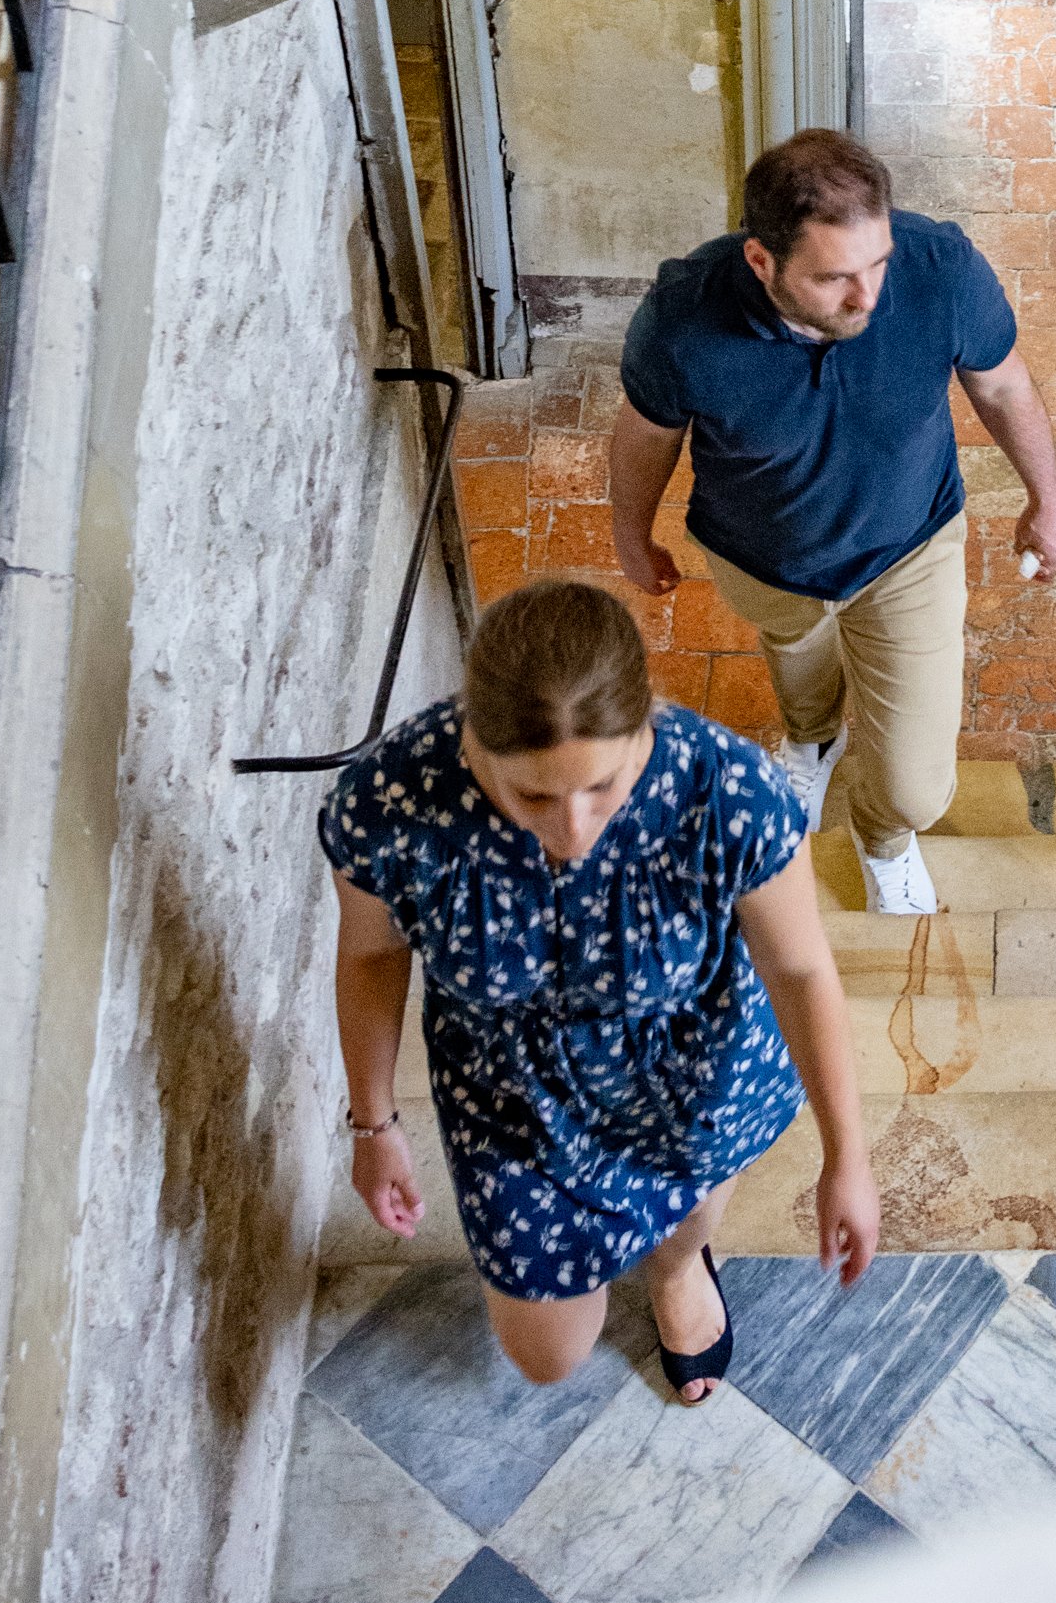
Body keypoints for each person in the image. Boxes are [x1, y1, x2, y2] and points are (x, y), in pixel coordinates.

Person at [322, 571, 876, 1397]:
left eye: (603, 787)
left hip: (695, 1073)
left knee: (687, 1215)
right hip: (512, 1100)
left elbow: (797, 969)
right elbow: (370, 957)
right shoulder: (391, 803)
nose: (572, 828)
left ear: (643, 726)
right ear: (470, 742)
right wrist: (374, 1125)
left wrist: (847, 1154)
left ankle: (677, 1272)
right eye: (532, 794)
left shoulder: (727, 791)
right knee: (546, 1356)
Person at [609, 126, 1056, 920]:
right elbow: (645, 435)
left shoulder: (941, 270)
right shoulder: (681, 321)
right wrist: (630, 532)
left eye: (877, 263)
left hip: (909, 548)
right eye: (833, 278)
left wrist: (1050, 496)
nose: (868, 297)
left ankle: (884, 840)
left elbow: (1001, 388)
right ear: (762, 261)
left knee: (916, 786)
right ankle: (813, 739)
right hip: (761, 554)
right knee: (796, 654)